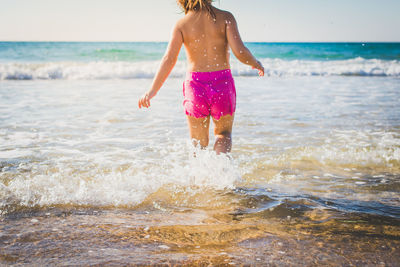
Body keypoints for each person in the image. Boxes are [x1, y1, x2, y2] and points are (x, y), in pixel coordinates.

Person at [138, 0, 264, 154]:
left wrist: (152, 90)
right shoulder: (226, 17)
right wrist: (255, 62)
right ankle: (221, 172)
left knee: (199, 143)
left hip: (196, 87)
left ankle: (200, 177)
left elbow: (169, 60)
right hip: (222, 85)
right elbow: (240, 51)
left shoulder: (181, 25)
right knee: (223, 135)